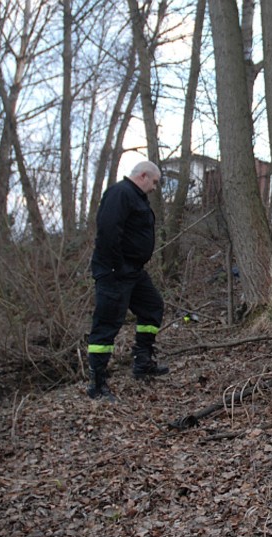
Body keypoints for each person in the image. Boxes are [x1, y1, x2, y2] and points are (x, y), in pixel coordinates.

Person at [86, 160, 169, 401]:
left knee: (152, 306)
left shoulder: (137, 197)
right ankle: (97, 385)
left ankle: (143, 361)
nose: (154, 188)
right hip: (115, 272)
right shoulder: (120, 193)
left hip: (133, 271)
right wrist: (117, 266)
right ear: (143, 175)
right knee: (107, 324)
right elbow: (108, 231)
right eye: (154, 182)